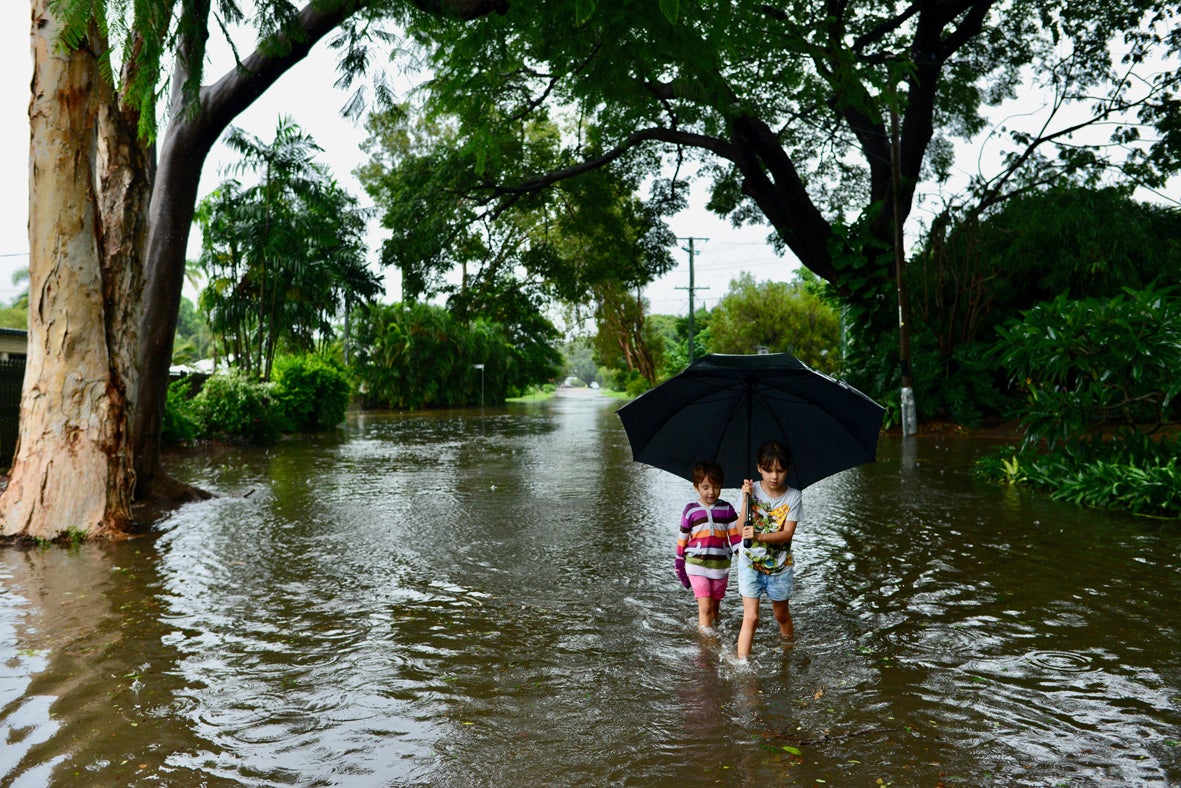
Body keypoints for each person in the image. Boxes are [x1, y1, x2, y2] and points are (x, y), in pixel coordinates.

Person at [736, 440, 801, 659]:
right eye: (769, 470)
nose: (774, 477)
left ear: (787, 470)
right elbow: (738, 529)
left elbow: (787, 533)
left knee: (781, 615)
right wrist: (746, 499)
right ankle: (741, 665)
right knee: (751, 617)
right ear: (759, 468)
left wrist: (759, 536)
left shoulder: (793, 496)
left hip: (779, 567)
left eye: (780, 471)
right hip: (749, 563)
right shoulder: (750, 490)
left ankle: (788, 654)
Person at [675, 460, 742, 631]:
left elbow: (735, 537)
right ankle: (705, 646)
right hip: (696, 565)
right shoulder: (690, 510)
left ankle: (714, 633)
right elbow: (682, 540)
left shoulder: (727, 509)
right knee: (704, 607)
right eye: (705, 487)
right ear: (696, 486)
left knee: (714, 608)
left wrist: (743, 557)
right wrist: (680, 567)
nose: (711, 492)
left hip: (720, 566)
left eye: (716, 487)